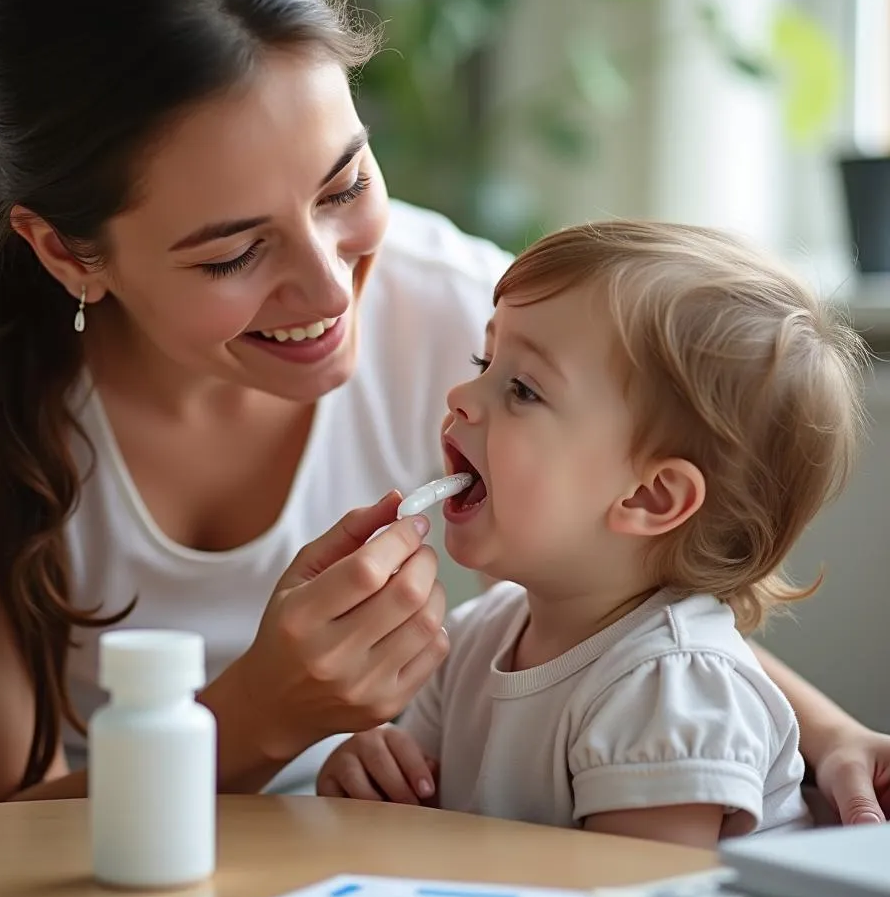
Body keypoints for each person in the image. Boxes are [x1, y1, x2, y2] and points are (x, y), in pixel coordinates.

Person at [0, 0, 886, 821]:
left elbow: (633, 574)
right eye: (232, 250)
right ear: (67, 250)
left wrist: (824, 729)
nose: (329, 290)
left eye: (344, 182)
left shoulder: (465, 306)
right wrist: (259, 714)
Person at [317, 222, 873, 847]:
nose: (461, 394)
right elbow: (421, 836)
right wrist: (367, 776)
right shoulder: (475, 639)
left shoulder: (672, 690)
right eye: (485, 359)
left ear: (649, 497)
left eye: (522, 389)